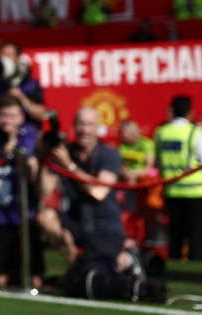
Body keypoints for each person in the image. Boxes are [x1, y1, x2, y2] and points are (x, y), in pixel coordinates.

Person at [37, 107, 165, 302]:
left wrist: (69, 165)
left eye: (89, 125)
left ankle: (129, 260)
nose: (84, 130)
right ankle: (78, 267)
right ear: (74, 126)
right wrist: (43, 159)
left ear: (98, 128)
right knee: (44, 216)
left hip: (104, 226)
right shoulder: (67, 152)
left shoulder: (109, 154)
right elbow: (43, 192)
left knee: (99, 278)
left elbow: (99, 192)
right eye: (80, 124)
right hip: (77, 222)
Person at [0, 95, 43, 290]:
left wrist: (17, 150)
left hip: (22, 216)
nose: (7, 121)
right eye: (4, 116)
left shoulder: (28, 139)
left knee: (34, 279)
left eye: (12, 116)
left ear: (21, 118)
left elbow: (33, 173)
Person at [153, 95, 202, 261]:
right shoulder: (196, 133)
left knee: (175, 238)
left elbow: (158, 165)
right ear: (190, 113)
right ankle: (193, 276)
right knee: (196, 240)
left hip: (172, 193)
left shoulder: (161, 133)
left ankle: (174, 276)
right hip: (196, 194)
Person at [0, 42, 46, 148]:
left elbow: (42, 115)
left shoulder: (30, 84)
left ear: (18, 58)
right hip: (2, 136)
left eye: (9, 55)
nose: (4, 59)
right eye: (2, 55)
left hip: (28, 136)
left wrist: (21, 97)